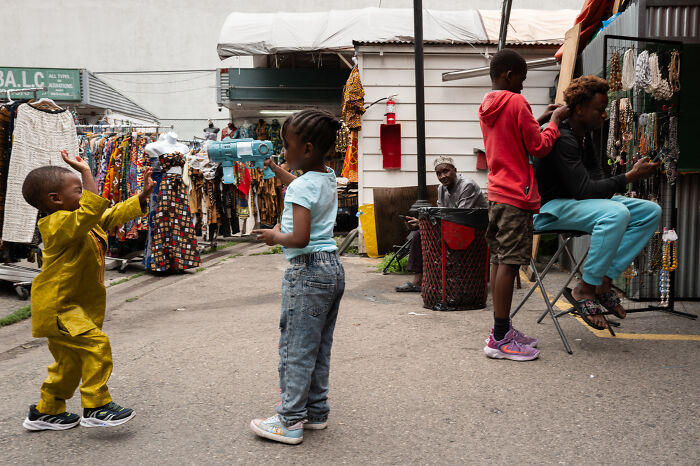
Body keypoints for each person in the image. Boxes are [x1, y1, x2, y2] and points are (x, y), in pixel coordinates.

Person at [21, 150, 155, 431]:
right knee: (96, 346)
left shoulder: (79, 221)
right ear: (56, 199)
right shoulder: (57, 225)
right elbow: (93, 209)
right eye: (79, 191)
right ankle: (96, 406)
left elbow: (105, 215)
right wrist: (86, 172)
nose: (85, 195)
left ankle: (47, 411)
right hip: (60, 308)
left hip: (76, 307)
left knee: (68, 365)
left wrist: (139, 200)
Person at [534, 75, 661, 330]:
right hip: (551, 207)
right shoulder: (563, 138)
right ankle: (585, 288)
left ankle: (603, 278)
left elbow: (596, 178)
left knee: (650, 211)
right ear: (579, 109)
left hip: (578, 203)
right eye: (599, 110)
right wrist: (629, 177)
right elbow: (582, 189)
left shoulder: (584, 136)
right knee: (615, 213)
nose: (604, 115)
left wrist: (617, 187)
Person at [250, 109, 345, 445]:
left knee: (296, 348)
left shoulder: (301, 189)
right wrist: (277, 169)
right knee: (318, 347)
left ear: (305, 149)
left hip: (307, 271)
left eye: (285, 146)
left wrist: (275, 236)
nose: (283, 151)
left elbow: (300, 238)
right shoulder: (327, 176)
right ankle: (315, 412)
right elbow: (304, 185)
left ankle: (289, 421)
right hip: (332, 268)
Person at [478, 48, 570, 361]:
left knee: (498, 259)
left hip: (496, 192)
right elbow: (538, 146)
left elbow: (512, 134)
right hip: (517, 196)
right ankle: (501, 338)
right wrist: (555, 122)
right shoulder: (516, 102)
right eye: (522, 78)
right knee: (510, 262)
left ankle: (500, 329)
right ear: (509, 75)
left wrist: (539, 118)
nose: (523, 85)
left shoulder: (488, 104)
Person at [396, 156, 487, 292]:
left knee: (427, 234)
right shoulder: (441, 189)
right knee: (419, 234)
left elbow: (460, 216)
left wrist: (427, 225)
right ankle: (420, 280)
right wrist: (422, 223)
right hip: (454, 227)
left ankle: (433, 279)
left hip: (475, 230)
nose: (442, 176)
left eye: (446, 171)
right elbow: (441, 214)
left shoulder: (467, 185)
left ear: (455, 170)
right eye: (439, 173)